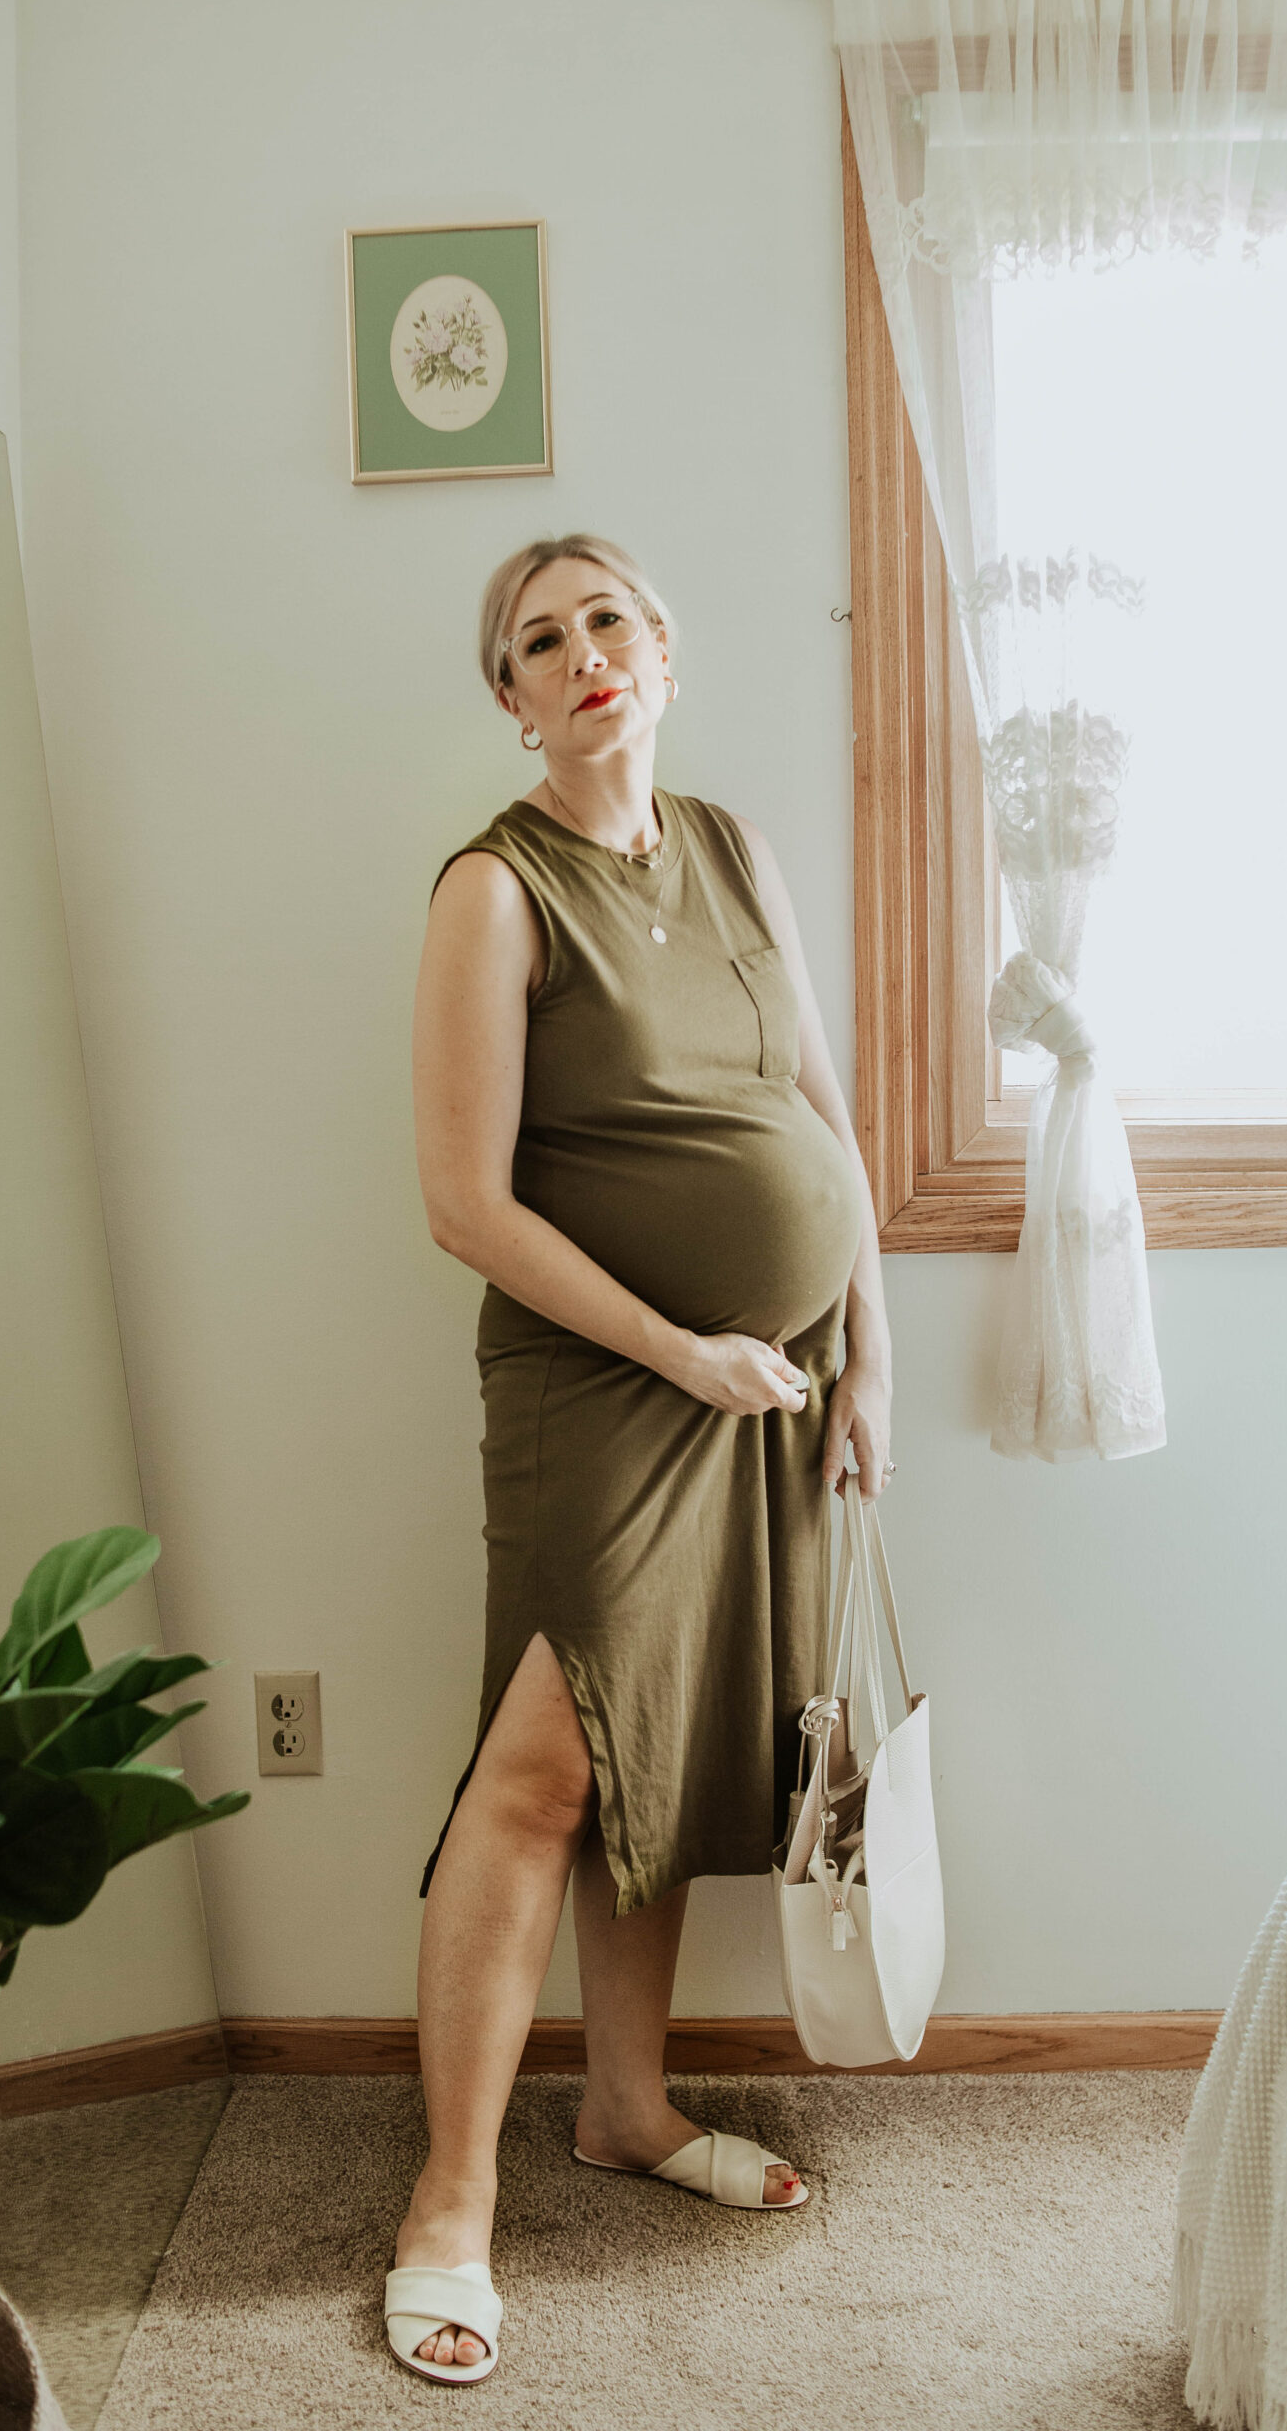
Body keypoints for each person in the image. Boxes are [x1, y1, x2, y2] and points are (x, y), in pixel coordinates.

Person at [387, 533, 893, 2385]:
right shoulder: (493, 891)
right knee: (541, 1774)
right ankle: (450, 2206)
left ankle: (625, 2107)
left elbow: (818, 1111)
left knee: (659, 1753)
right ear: (511, 697)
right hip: (608, 1386)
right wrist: (684, 1348)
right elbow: (464, 1203)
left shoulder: (735, 847)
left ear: (663, 652)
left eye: (609, 619)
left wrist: (867, 1346)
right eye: (541, 639)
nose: (583, 650)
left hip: (771, 1382)